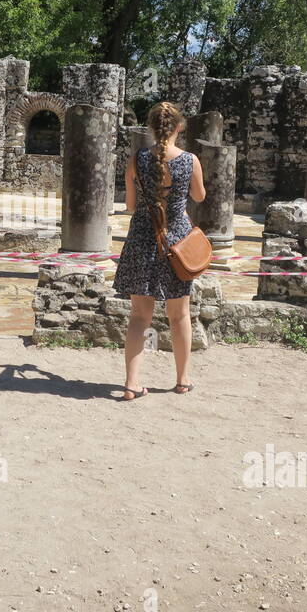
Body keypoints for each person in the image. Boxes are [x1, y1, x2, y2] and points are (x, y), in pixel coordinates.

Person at [114, 101, 205, 400]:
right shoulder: (190, 160)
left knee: (139, 316)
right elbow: (199, 196)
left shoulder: (137, 158)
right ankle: (182, 380)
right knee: (179, 315)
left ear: (152, 128)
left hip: (142, 237)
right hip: (176, 242)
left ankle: (131, 384)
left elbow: (129, 206)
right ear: (179, 127)